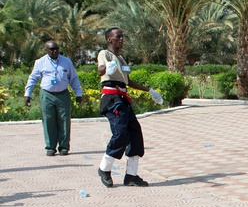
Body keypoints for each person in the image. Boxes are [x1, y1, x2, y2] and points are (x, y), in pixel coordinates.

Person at [97, 28, 162, 188]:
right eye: (117, 37)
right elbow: (100, 70)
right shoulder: (104, 54)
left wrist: (149, 90)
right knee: (120, 134)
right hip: (112, 98)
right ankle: (104, 169)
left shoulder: (121, 59)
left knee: (135, 134)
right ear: (109, 39)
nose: (121, 39)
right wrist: (107, 69)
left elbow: (127, 81)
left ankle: (131, 176)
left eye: (122, 37)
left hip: (123, 98)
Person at [24, 40, 84, 156]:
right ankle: (50, 147)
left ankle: (64, 147)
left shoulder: (66, 62)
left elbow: (74, 79)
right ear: (46, 50)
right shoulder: (40, 62)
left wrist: (78, 94)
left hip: (63, 94)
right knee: (48, 120)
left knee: (64, 120)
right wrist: (28, 94)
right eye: (51, 49)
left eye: (56, 48)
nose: (55, 51)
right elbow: (33, 78)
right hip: (47, 94)